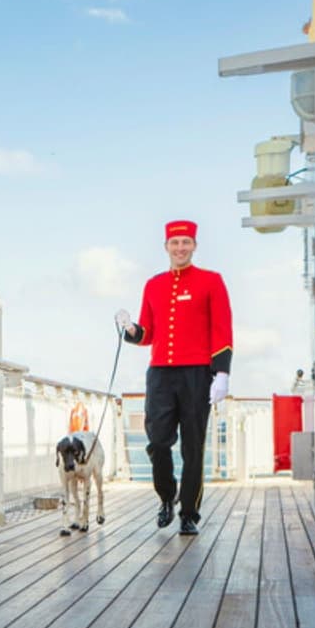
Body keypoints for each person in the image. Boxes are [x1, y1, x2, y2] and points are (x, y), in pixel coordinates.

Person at [113, 220, 232, 536]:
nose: (180, 248)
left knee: (193, 446)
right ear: (166, 246)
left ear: (194, 246)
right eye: (175, 242)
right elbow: (147, 334)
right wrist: (131, 330)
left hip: (197, 373)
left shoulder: (212, 281)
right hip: (161, 375)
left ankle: (189, 512)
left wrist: (222, 373)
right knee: (157, 441)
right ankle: (167, 496)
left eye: (186, 242)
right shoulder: (153, 284)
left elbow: (222, 327)